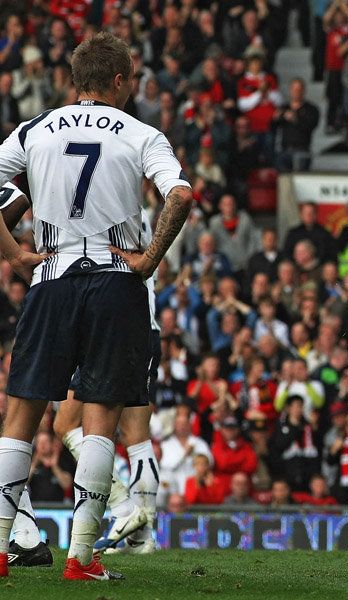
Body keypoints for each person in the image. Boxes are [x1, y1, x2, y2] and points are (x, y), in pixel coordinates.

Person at [0, 32, 193, 581]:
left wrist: (15, 255)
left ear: (72, 79)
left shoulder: (34, 129)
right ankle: (81, 559)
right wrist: (150, 259)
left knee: (21, 416)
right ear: (119, 80)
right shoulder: (140, 132)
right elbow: (179, 196)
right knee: (101, 416)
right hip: (114, 280)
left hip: (52, 274)